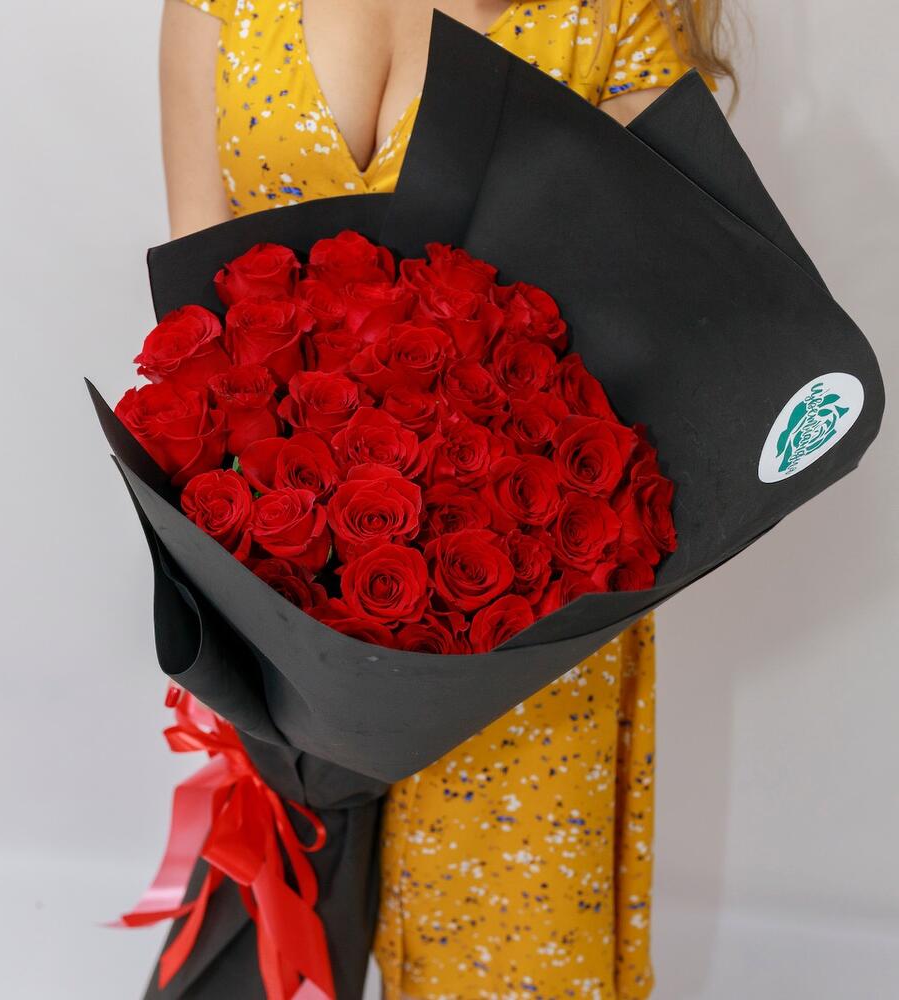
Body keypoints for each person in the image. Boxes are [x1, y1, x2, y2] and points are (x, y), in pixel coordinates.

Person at [159, 2, 734, 997]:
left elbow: (660, 330)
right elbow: (199, 339)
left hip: (525, 615)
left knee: (505, 966)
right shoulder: (217, 7)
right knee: (279, 946)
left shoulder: (609, 17)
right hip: (288, 600)